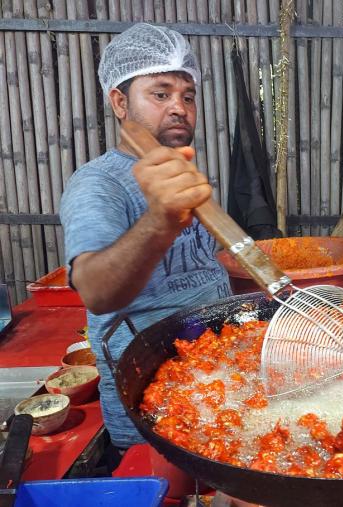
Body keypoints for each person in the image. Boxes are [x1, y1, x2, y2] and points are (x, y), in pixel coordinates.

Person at [60, 23, 232, 449]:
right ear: (120, 102)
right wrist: (161, 220)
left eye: (187, 96)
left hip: (219, 384)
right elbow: (96, 292)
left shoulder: (181, 171)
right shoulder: (99, 184)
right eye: (160, 93)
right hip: (152, 405)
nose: (179, 107)